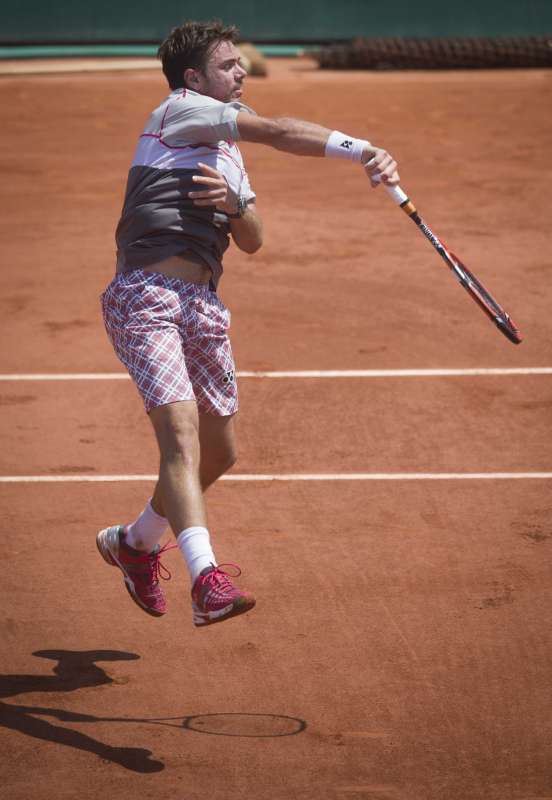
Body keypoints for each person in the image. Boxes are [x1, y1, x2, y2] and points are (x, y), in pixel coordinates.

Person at [97, 20, 400, 628]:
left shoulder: (227, 154)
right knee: (180, 437)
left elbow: (254, 239)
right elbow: (281, 131)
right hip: (146, 294)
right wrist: (361, 148)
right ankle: (206, 581)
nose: (242, 72)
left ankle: (135, 542)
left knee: (220, 452)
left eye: (240, 64)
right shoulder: (180, 112)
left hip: (203, 305)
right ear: (194, 78)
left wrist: (234, 205)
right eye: (229, 65)